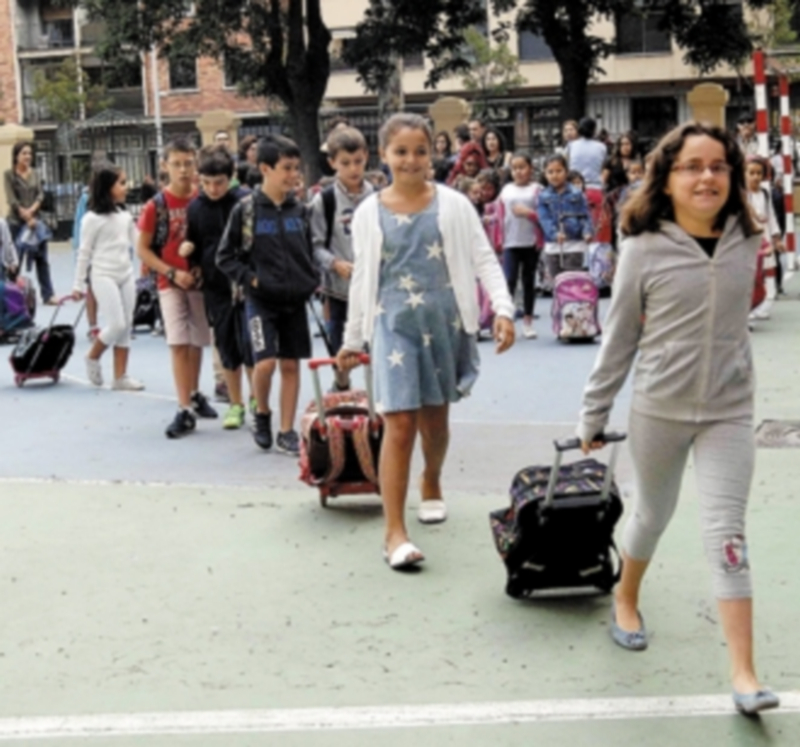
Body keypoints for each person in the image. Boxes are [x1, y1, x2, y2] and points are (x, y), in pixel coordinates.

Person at [577, 121, 778, 716]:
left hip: (729, 411)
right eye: (692, 166)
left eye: (718, 165)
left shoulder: (748, 234)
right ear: (666, 177)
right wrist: (594, 412)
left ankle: (744, 674)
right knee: (652, 514)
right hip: (659, 408)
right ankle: (625, 597)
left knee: (727, 534)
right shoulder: (642, 247)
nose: (707, 176)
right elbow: (617, 340)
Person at [335, 113, 516, 570]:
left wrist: (504, 310)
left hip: (444, 322)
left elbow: (484, 259)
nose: (411, 160)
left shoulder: (455, 205)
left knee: (435, 421)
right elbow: (361, 281)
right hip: (392, 324)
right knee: (399, 425)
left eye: (420, 150)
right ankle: (394, 532)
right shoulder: (368, 213)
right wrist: (351, 339)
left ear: (432, 152)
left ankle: (431, 480)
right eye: (401, 151)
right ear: (385, 155)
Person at [217, 135, 319, 454]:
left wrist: (311, 278)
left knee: (291, 365)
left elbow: (310, 251)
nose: (293, 174)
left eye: (296, 168)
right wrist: (252, 281)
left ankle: (286, 430)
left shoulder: (300, 210)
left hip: (294, 301)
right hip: (261, 301)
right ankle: (261, 412)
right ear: (265, 168)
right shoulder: (246, 211)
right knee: (265, 364)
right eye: (286, 168)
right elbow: (225, 256)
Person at [138, 137, 218, 439]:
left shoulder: (203, 200)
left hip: (198, 281)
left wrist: (199, 267)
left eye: (188, 163)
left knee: (197, 339)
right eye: (177, 164)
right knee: (178, 341)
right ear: (165, 166)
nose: (184, 170)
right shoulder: (156, 206)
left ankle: (195, 392)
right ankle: (183, 406)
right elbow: (143, 249)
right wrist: (170, 271)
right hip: (168, 282)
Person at [184, 145, 254, 430]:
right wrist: (190, 256)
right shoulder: (196, 208)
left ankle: (257, 399)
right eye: (207, 183)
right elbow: (195, 243)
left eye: (219, 182)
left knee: (251, 344)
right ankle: (236, 403)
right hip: (215, 288)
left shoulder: (246, 202)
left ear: (231, 177)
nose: (213, 189)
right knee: (226, 345)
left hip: (248, 286)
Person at [310, 126, 374, 391]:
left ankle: (380, 394)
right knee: (341, 347)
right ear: (332, 162)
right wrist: (335, 263)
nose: (353, 169)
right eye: (345, 163)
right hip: (339, 290)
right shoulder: (323, 201)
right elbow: (314, 246)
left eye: (358, 161)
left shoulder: (378, 197)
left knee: (375, 345)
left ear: (367, 157)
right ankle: (341, 384)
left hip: (373, 288)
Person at [71, 162, 144, 391]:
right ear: (107, 187)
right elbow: (84, 253)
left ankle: (120, 376)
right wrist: (78, 285)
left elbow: (139, 243)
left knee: (127, 325)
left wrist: (151, 261)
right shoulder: (91, 219)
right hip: (103, 275)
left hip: (126, 274)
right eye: (121, 183)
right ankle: (92, 355)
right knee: (116, 323)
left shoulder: (124, 216)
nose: (126, 188)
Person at [4, 141, 56, 305]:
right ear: (16, 156)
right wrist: (24, 214)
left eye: (29, 153)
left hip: (35, 222)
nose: (27, 156)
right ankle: (10, 294)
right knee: (14, 260)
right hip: (15, 222)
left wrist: (32, 212)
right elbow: (11, 198)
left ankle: (48, 295)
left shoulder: (35, 173)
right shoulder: (8, 174)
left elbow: (40, 195)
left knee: (42, 259)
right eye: (24, 153)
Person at [498, 151, 543, 339]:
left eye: (522, 167)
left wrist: (529, 213)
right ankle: (506, 320)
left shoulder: (537, 189)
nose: (518, 171)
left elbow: (544, 216)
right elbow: (499, 214)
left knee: (528, 281)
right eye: (514, 168)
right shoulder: (506, 189)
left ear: (530, 169)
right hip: (510, 242)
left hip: (531, 241)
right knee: (508, 280)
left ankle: (528, 321)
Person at [538, 154, 593, 280]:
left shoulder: (577, 193)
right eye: (550, 172)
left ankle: (574, 300)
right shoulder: (543, 196)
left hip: (574, 243)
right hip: (553, 245)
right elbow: (544, 219)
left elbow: (585, 215)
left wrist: (587, 232)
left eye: (559, 171)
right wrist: (554, 234)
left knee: (572, 281)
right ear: (545, 174)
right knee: (557, 283)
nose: (554, 175)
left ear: (566, 172)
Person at [745, 156, 783, 322]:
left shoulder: (765, 194)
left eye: (759, 173)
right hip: (748, 242)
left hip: (765, 241)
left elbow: (772, 218)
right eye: (751, 173)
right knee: (750, 276)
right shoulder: (742, 196)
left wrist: (776, 239)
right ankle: (748, 309)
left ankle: (761, 306)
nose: (755, 177)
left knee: (764, 275)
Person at [565, 117, 607, 226]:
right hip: (596, 188)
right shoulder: (602, 147)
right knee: (596, 226)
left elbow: (567, 165)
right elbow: (602, 167)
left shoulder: (571, 146)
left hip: (575, 187)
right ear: (594, 130)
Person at [72, 184, 99, 340]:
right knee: (92, 287)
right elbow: (79, 226)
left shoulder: (116, 201)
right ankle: (93, 325)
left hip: (112, 253)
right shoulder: (86, 199)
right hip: (92, 250)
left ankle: (118, 325)